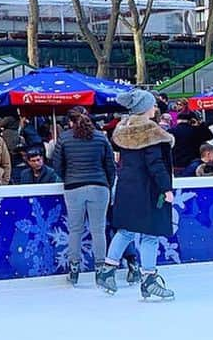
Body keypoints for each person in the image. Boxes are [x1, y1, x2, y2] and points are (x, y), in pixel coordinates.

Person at [96, 89, 176, 301]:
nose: (155, 108)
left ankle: (108, 269)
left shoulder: (125, 130)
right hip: (147, 190)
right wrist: (166, 188)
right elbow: (155, 164)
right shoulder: (149, 131)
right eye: (152, 105)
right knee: (150, 233)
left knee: (127, 230)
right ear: (145, 108)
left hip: (127, 188)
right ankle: (149, 279)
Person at [54, 106, 117, 286]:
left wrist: (68, 177)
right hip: (99, 185)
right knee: (98, 230)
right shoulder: (100, 137)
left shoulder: (64, 138)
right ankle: (100, 270)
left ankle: (74, 269)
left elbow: (57, 165)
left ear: (70, 122)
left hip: (74, 187)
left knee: (75, 230)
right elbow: (110, 165)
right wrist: (108, 183)